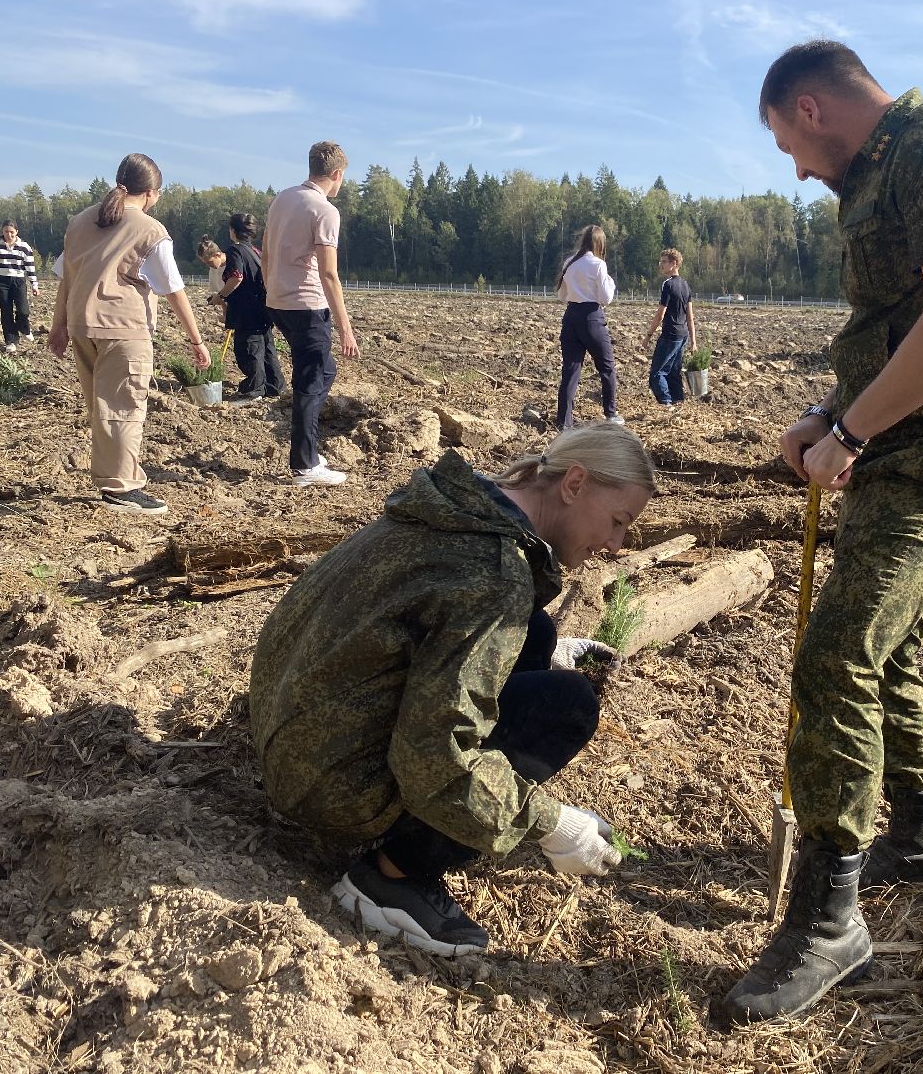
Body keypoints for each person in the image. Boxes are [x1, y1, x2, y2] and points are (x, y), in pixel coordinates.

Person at [720, 40, 923, 1024]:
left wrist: (851, 430)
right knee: (884, 649)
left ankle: (828, 921)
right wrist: (832, 411)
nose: (797, 171)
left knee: (838, 651)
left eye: (787, 145)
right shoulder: (882, 175)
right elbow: (896, 327)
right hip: (897, 452)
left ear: (810, 108)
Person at [249, 422, 656, 955]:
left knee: (534, 631)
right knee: (568, 706)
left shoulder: (464, 508)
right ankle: (390, 878)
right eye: (618, 522)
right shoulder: (492, 570)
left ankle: (435, 829)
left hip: (293, 730)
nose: (615, 545)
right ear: (574, 484)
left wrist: (524, 652)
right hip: (330, 786)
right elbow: (433, 752)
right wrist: (550, 824)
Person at [47, 154, 211, 516]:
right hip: (123, 329)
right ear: (152, 193)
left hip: (82, 325)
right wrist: (197, 340)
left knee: (101, 407)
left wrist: (59, 326)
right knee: (124, 407)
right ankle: (122, 487)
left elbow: (67, 278)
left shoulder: (80, 222)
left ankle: (112, 480)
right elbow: (174, 290)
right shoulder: (150, 229)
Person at [263, 140, 360, 488]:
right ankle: (305, 465)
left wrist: (271, 288)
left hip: (279, 302)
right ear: (337, 174)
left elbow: (265, 251)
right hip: (307, 305)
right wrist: (346, 328)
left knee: (324, 369)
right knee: (310, 382)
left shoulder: (283, 198)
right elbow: (328, 273)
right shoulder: (325, 211)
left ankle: (308, 451)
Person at [210, 214, 283, 405]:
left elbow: (237, 276)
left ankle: (254, 390)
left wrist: (221, 296)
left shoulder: (235, 250)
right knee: (266, 347)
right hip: (263, 307)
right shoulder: (256, 251)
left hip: (246, 309)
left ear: (233, 231)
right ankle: (274, 386)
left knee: (249, 349)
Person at [555, 224, 623, 429]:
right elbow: (606, 298)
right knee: (607, 367)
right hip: (591, 317)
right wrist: (610, 282)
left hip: (571, 317)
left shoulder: (569, 262)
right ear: (600, 243)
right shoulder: (598, 265)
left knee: (570, 371)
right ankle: (610, 414)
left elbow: (562, 295)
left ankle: (564, 423)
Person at [642, 248, 697, 409]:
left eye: (664, 262)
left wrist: (648, 335)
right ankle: (678, 400)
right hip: (683, 335)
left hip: (670, 334)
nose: (661, 265)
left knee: (657, 373)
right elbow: (690, 316)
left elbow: (660, 314)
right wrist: (693, 341)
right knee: (674, 370)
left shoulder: (668, 284)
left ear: (674, 264)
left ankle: (666, 402)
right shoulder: (685, 285)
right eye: (661, 261)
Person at [0, 220, 40, 352]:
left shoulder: (24, 247)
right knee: (6, 311)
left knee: (23, 309)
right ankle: (10, 340)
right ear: (2, 231)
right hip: (1, 281)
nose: (9, 235)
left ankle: (24, 327)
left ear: (17, 232)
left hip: (18, 280)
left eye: (11, 232)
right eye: (6, 232)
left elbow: (30, 267)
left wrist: (34, 284)